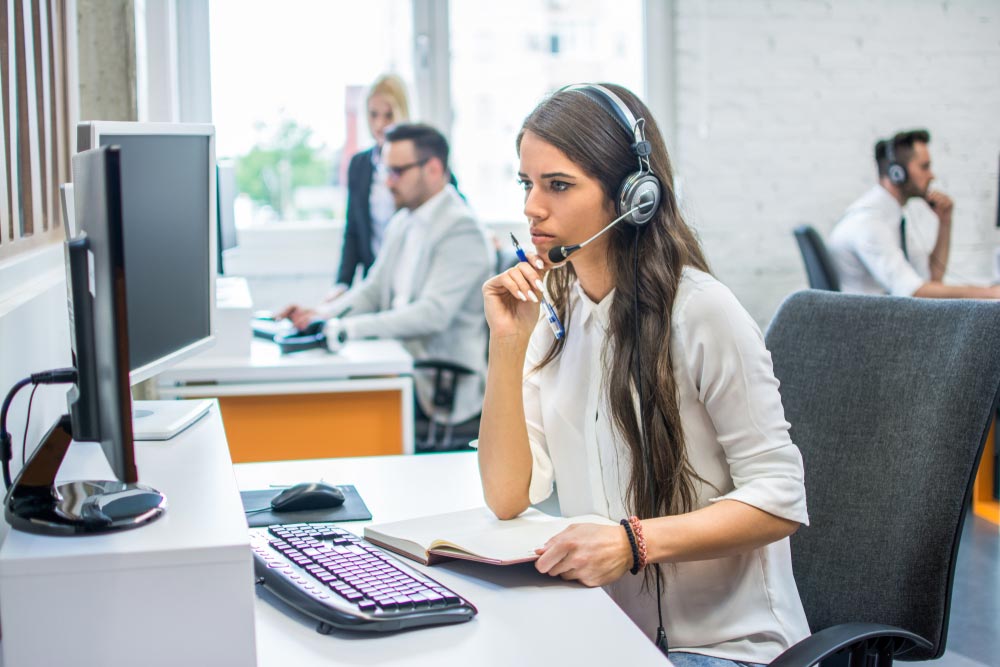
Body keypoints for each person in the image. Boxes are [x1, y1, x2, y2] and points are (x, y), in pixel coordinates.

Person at [477, 84, 809, 666]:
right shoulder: (554, 312)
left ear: (634, 196)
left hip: (725, 647)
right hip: (612, 633)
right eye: (526, 183)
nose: (532, 207)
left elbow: (780, 498)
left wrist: (634, 543)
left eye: (558, 185)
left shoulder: (702, 311)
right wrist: (506, 347)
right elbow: (508, 497)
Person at [279, 123, 493, 425]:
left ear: (433, 169)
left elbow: (432, 314)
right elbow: (373, 289)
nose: (387, 183)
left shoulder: (461, 229)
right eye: (385, 171)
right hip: (400, 365)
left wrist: (346, 329)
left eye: (397, 172)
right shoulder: (404, 220)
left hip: (438, 388)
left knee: (330, 411)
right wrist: (321, 315)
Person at [828, 129, 1000, 298]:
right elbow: (912, 291)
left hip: (884, 311)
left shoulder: (891, 218)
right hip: (869, 316)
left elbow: (932, 278)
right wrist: (990, 293)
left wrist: (945, 222)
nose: (931, 175)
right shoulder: (868, 223)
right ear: (898, 174)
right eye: (924, 167)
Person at [333, 73, 410, 299]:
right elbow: (353, 231)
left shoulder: (420, 162)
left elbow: (451, 202)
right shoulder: (359, 164)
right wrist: (342, 284)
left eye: (389, 115)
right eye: (373, 114)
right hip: (374, 282)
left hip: (410, 279)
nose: (380, 124)